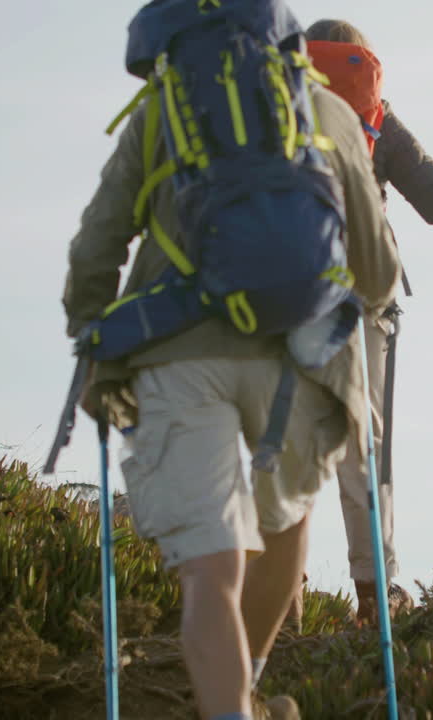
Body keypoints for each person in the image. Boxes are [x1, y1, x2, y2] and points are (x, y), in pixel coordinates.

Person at [61, 17, 401, 720]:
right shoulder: (327, 109)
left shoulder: (162, 108)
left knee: (211, 568)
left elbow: (97, 246)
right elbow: (379, 270)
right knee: (286, 520)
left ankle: (229, 706)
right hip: (301, 361)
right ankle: (246, 685)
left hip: (174, 357)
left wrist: (92, 338)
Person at [288, 19, 433, 627]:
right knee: (364, 448)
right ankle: (374, 597)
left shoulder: (275, 112)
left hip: (282, 302)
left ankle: (283, 603)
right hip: (361, 303)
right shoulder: (375, 118)